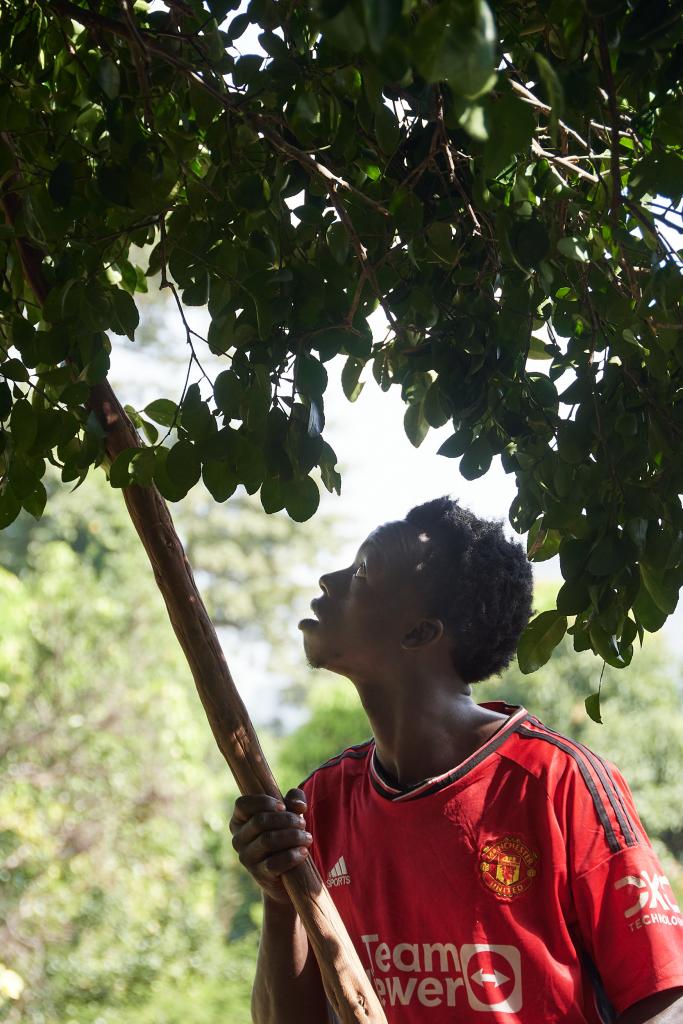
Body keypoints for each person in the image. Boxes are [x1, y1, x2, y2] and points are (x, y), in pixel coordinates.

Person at [230, 497, 683, 1024]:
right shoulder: (320, 804)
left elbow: (663, 996)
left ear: (420, 632)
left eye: (362, 572)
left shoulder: (558, 782)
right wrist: (280, 893)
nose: (329, 580)